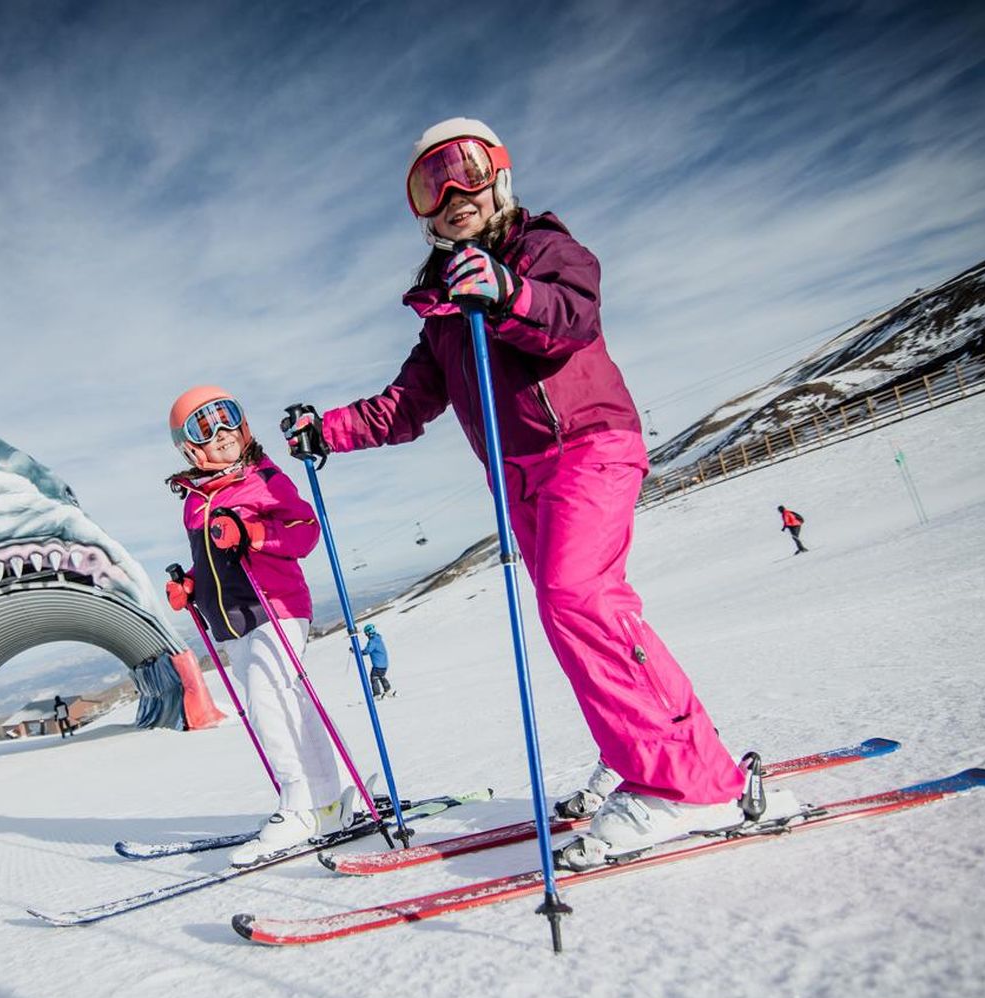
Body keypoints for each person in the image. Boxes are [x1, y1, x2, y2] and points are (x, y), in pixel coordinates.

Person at [280, 118, 798, 859]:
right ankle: (665, 755)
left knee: (579, 598)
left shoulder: (545, 250)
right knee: (579, 618)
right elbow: (404, 406)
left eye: (464, 168)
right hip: (519, 475)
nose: (452, 191)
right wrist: (325, 429)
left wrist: (507, 292)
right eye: (431, 182)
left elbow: (571, 317)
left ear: (498, 174)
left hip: (585, 445)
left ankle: (685, 786)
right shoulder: (442, 314)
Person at [162, 385, 355, 865]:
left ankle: (298, 804)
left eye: (227, 417)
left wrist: (254, 533)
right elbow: (213, 560)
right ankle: (329, 800)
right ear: (189, 445)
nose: (222, 432)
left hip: (277, 605)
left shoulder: (263, 478)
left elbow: (305, 530)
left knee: (266, 697)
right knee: (290, 700)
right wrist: (190, 585)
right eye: (205, 426)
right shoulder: (194, 499)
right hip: (231, 619)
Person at [360, 623, 394, 698]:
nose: (366, 636)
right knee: (382, 676)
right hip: (384, 664)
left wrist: (357, 652)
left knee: (374, 677)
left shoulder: (373, 641)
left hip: (378, 665)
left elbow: (367, 651)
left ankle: (377, 694)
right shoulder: (378, 639)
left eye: (366, 634)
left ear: (369, 633)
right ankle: (388, 690)